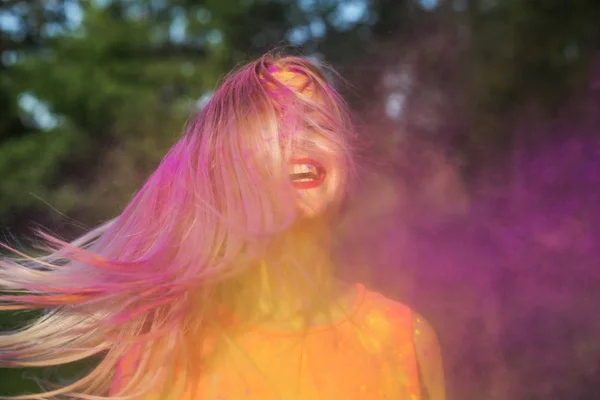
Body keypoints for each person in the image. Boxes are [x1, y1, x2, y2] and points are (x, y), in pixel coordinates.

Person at [0, 51, 445, 400]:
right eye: (271, 128)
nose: (299, 139)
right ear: (229, 173)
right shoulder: (166, 352)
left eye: (318, 124)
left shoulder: (403, 336)